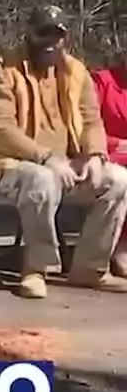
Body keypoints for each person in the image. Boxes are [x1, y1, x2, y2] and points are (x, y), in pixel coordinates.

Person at [0, 5, 127, 299]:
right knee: (41, 179)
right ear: (29, 34)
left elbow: (91, 120)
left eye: (57, 34)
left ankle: (90, 270)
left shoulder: (76, 71)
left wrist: (95, 155)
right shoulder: (3, 71)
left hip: (64, 165)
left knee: (118, 179)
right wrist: (47, 158)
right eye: (44, 33)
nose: (51, 41)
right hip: (4, 163)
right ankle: (36, 269)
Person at [92, 52, 127, 277]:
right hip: (102, 155)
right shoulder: (102, 81)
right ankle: (122, 248)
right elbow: (83, 126)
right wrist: (114, 143)